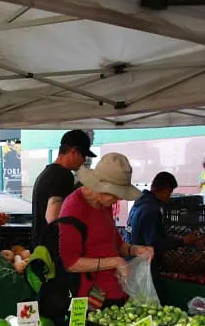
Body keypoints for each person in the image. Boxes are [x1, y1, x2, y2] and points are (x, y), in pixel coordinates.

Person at [59, 153, 154, 306]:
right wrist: (115, 262)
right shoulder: (74, 208)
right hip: (90, 299)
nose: (119, 199)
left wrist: (136, 250)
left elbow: (116, 245)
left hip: (116, 291)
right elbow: (70, 263)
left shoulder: (104, 204)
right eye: (116, 195)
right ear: (101, 188)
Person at [31, 130, 96, 248]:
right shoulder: (63, 175)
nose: (84, 161)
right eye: (83, 156)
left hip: (40, 246)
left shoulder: (46, 173)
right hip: (53, 250)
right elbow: (53, 218)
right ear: (74, 151)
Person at [126, 172, 200, 259]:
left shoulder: (140, 203)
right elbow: (155, 244)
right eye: (170, 193)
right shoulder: (151, 210)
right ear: (165, 191)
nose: (169, 197)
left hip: (133, 259)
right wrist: (183, 241)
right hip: (143, 263)